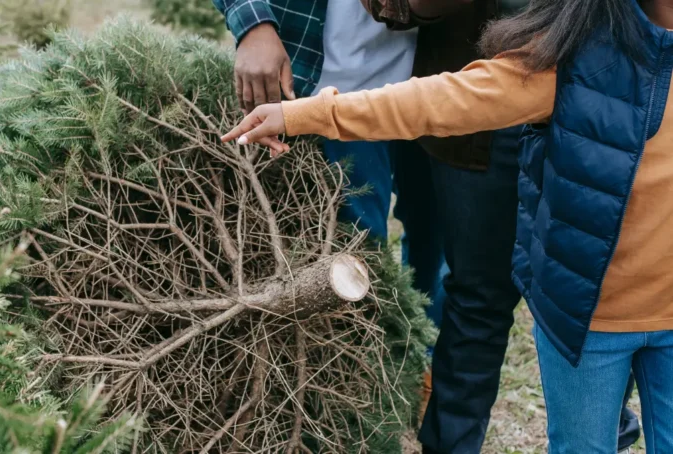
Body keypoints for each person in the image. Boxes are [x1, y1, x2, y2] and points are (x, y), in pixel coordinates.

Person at [222, 0, 673, 452]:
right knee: (477, 301)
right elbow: (444, 100)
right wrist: (305, 114)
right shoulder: (571, 59)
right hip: (589, 325)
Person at [358, 1, 641, 452]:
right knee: (478, 299)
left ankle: (605, 433)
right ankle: (450, 445)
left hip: (604, 102)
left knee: (601, 290)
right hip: (480, 110)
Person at [210, 0, 449, 334]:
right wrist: (253, 24)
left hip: (442, 83)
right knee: (353, 257)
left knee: (439, 243)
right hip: (325, 89)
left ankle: (419, 362)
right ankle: (365, 360)